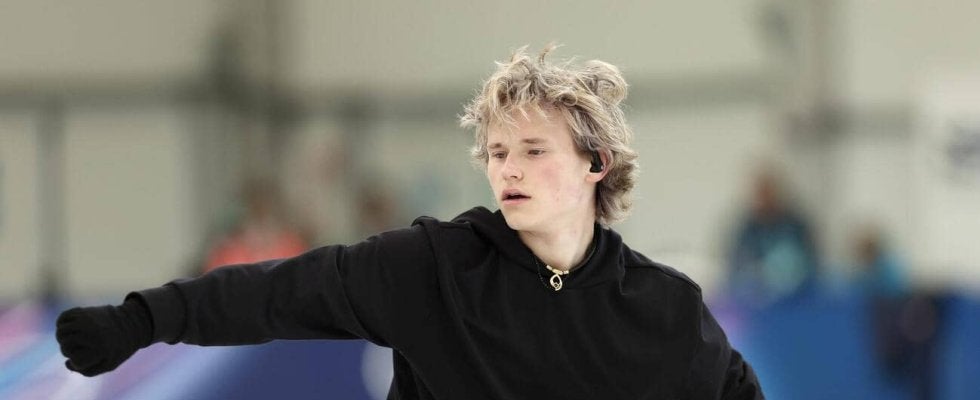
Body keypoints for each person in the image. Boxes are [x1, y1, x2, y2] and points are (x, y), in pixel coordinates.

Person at [55, 46, 763, 399]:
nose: (508, 169)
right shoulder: (432, 267)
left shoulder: (664, 308)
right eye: (497, 153)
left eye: (533, 150)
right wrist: (140, 320)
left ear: (595, 164)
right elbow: (278, 291)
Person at [726, 167, 819, 306]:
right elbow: (736, 266)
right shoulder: (747, 230)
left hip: (798, 300)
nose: (764, 200)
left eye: (769, 193)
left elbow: (811, 263)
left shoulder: (795, 226)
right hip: (757, 303)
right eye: (761, 195)